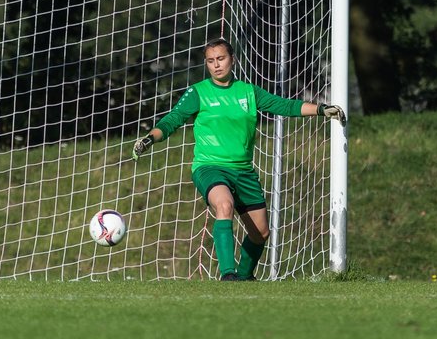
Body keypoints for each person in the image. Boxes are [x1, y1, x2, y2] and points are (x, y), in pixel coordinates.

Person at [133, 37, 346, 281]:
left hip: (243, 171)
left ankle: (244, 279)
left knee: (261, 232)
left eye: (221, 59)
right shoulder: (198, 92)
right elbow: (171, 121)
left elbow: (284, 106)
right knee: (224, 205)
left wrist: (320, 109)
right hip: (210, 166)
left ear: (232, 60)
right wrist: (150, 139)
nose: (216, 65)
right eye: (211, 61)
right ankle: (228, 275)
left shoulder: (248, 92)